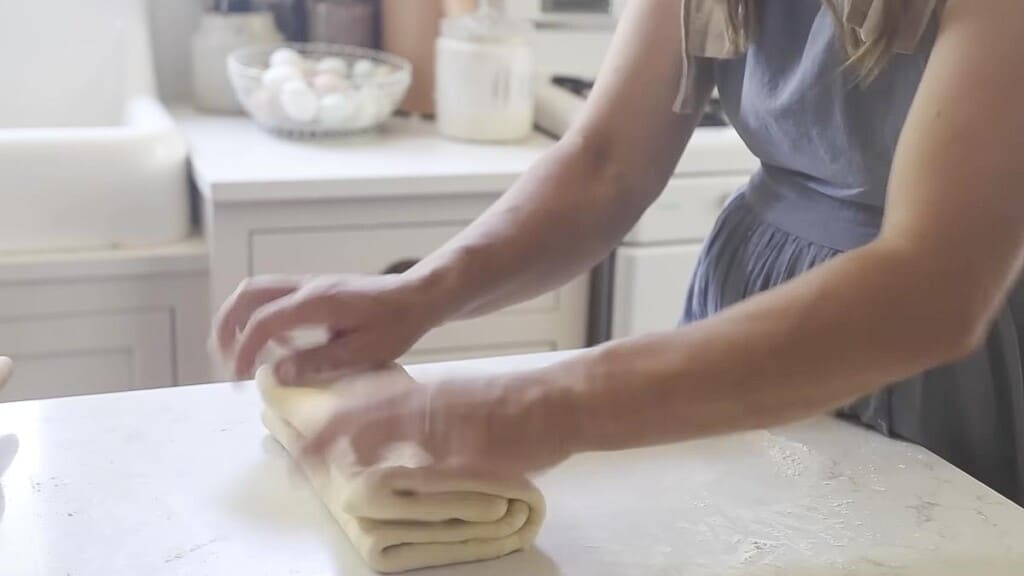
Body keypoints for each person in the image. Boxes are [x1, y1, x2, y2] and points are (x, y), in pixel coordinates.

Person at [213, 0, 1024, 504]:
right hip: (745, 312)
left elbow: (932, 285)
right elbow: (605, 165)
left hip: (934, 362)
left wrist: (551, 403)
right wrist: (422, 293)